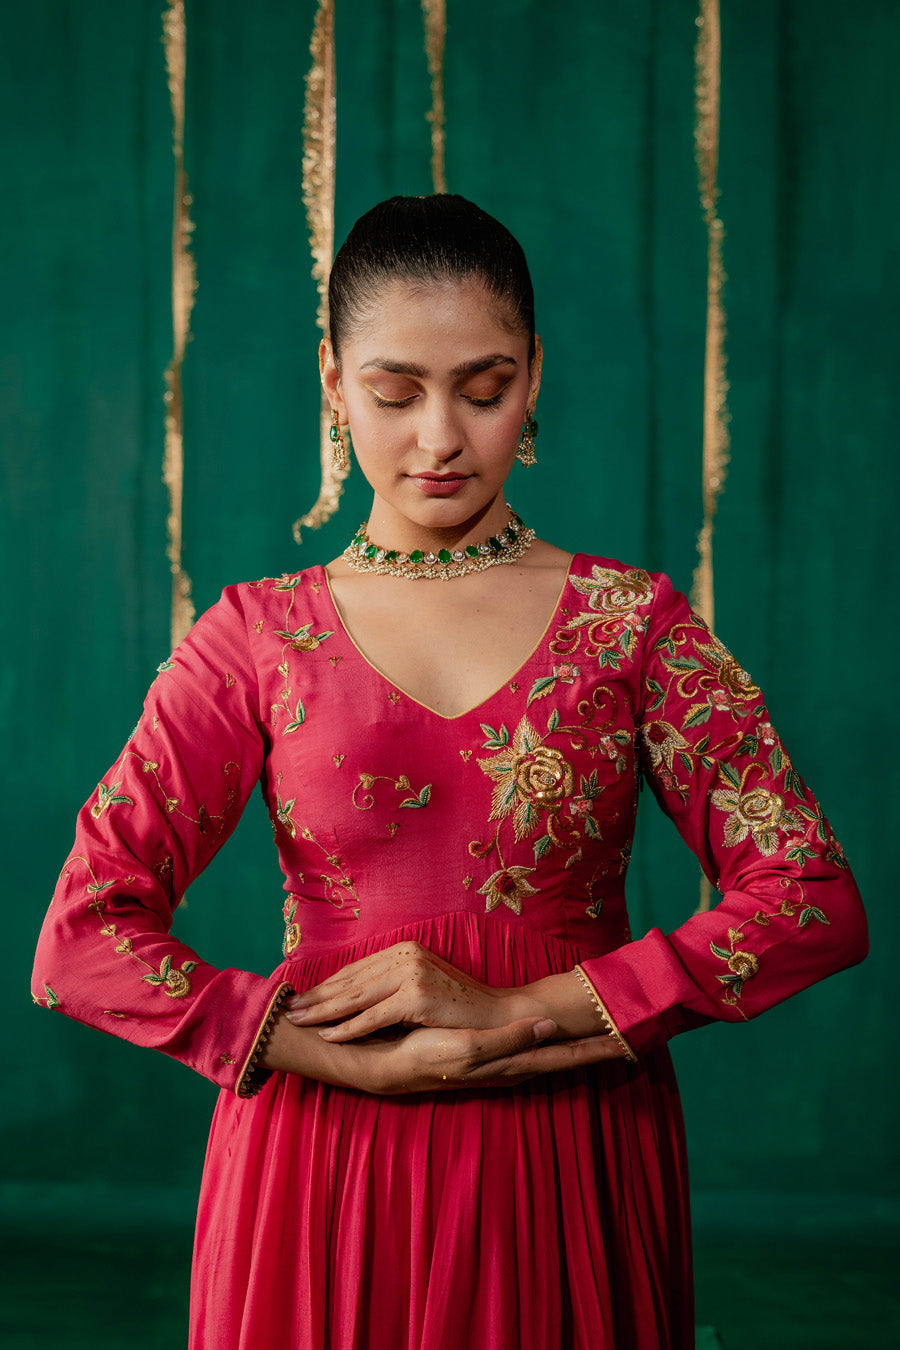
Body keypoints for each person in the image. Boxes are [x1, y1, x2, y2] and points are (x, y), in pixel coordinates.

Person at [32, 194, 867, 1349]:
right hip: (317, 1160)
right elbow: (82, 937)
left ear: (534, 375)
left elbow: (812, 898)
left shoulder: (633, 624)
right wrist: (328, 1057)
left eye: (484, 391)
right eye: (394, 393)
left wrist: (526, 1015)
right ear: (331, 379)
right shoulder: (256, 638)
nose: (439, 439)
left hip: (569, 1150)